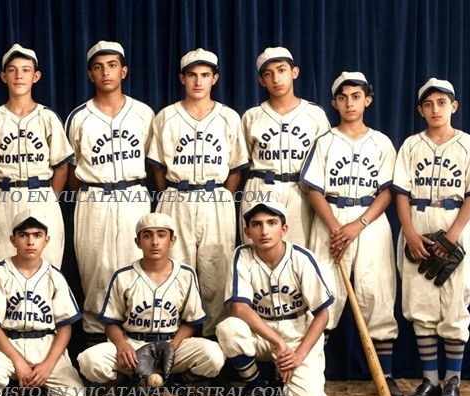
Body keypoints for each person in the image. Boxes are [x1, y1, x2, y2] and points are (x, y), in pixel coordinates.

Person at [299, 72, 402, 396]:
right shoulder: (325, 141)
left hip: (370, 221)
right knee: (324, 295)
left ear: (367, 100)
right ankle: (313, 375)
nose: (349, 103)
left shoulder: (381, 142)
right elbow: (313, 189)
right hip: (330, 218)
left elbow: (387, 191)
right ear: (334, 103)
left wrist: (357, 225)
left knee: (377, 292)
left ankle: (386, 375)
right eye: (343, 98)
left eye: (356, 97)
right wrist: (335, 227)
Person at [394, 78, 470, 396]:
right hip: (418, 223)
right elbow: (401, 192)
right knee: (420, 304)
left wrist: (452, 236)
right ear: (420, 110)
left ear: (454, 106)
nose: (435, 109)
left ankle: (453, 380)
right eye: (428, 104)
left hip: (455, 224)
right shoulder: (411, 145)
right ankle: (430, 380)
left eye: (441, 103)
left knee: (454, 305)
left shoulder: (467, 144)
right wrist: (410, 233)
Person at [146, 48, 250, 337]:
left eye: (205, 75)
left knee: (216, 274)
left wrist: (223, 196)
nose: (198, 81)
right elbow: (157, 167)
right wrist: (170, 194)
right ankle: (175, 342)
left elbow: (236, 168)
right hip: (176, 195)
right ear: (182, 78)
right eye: (192, 75)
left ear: (214, 78)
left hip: (215, 196)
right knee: (175, 270)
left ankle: (214, 342)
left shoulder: (228, 117)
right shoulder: (166, 116)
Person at [77, 213, 226, 396]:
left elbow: (191, 321)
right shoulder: (124, 276)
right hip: (134, 345)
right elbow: (111, 322)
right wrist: (122, 346)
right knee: (89, 361)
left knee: (214, 355)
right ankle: (128, 385)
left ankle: (175, 382)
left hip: (172, 343)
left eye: (161, 235)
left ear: (172, 240)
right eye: (147, 235)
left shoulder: (185, 274)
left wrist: (172, 347)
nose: (155, 242)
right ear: (138, 242)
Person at [65, 41, 154, 342]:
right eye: (98, 67)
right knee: (96, 275)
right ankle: (96, 351)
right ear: (90, 74)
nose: (106, 72)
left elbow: (154, 163)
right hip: (94, 198)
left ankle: (138, 348)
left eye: (112, 65)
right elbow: (70, 170)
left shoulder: (143, 113)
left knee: (137, 269)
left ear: (123, 71)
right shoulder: (79, 116)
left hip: (133, 195)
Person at [216, 201, 333, 396]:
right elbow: (239, 308)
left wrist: (298, 355)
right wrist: (278, 343)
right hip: (262, 333)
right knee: (228, 328)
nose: (264, 231)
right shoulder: (242, 255)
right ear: (247, 232)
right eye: (257, 224)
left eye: (272, 223)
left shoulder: (302, 258)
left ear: (284, 229)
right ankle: (258, 387)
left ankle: (280, 385)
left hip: (298, 332)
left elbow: (322, 315)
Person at [0, 209, 87, 396]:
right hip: (10, 345)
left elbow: (65, 327)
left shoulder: (54, 276)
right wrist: (18, 361)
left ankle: (35, 391)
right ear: (13, 240)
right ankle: (10, 392)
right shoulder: (0, 272)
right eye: (23, 235)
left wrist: (48, 364)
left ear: (46, 240)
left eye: (37, 235)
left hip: (46, 345)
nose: (30, 242)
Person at [0, 44, 73, 269]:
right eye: (12, 70)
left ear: (36, 76)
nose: (19, 76)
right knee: (1, 266)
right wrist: (0, 196)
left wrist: (49, 197)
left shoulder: (47, 117)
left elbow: (61, 167)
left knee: (47, 267)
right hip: (5, 196)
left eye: (25, 70)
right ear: (4, 77)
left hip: (41, 193)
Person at [241, 47, 331, 247]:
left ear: (294, 72)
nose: (276, 79)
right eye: (268, 74)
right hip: (261, 187)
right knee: (257, 251)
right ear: (261, 81)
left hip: (302, 191)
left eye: (281, 70)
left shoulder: (315, 114)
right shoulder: (252, 116)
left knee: (300, 254)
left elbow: (325, 161)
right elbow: (242, 163)